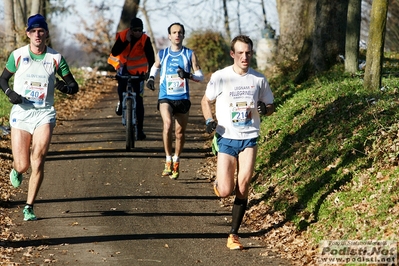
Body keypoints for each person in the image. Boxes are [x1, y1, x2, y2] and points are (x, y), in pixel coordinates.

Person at [0, 14, 79, 221]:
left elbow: (74, 86)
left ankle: (29, 206)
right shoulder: (17, 55)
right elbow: (3, 80)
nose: (37, 34)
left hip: (44, 113)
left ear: (46, 34)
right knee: (23, 164)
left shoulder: (55, 58)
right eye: (33, 31)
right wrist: (11, 94)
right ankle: (17, 170)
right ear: (28, 34)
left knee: (38, 159)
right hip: (21, 113)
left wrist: (64, 87)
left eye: (41, 30)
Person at [201, 35, 275, 250]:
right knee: (225, 190)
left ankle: (233, 234)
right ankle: (219, 184)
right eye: (240, 53)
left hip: (249, 137)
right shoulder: (221, 76)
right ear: (232, 54)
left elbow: (270, 105)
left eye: (248, 53)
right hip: (226, 137)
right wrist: (208, 120)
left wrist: (265, 109)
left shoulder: (259, 79)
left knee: (243, 186)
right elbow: (206, 100)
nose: (245, 57)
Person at [146, 22, 203, 179]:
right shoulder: (163, 54)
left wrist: (188, 75)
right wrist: (151, 78)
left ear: (183, 35)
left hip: (182, 98)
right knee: (168, 124)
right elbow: (155, 67)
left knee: (179, 132)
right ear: (169, 36)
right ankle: (167, 159)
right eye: (174, 32)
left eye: (180, 32)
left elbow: (201, 76)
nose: (177, 35)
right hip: (165, 97)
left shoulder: (189, 54)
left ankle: (176, 160)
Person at [108, 17, 155, 140]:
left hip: (138, 72)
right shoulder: (123, 36)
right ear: (131, 30)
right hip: (123, 69)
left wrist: (149, 73)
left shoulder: (145, 40)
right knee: (121, 88)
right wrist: (126, 41)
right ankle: (120, 102)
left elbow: (151, 58)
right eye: (135, 30)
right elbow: (115, 51)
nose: (138, 32)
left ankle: (139, 130)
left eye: (140, 30)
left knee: (139, 102)